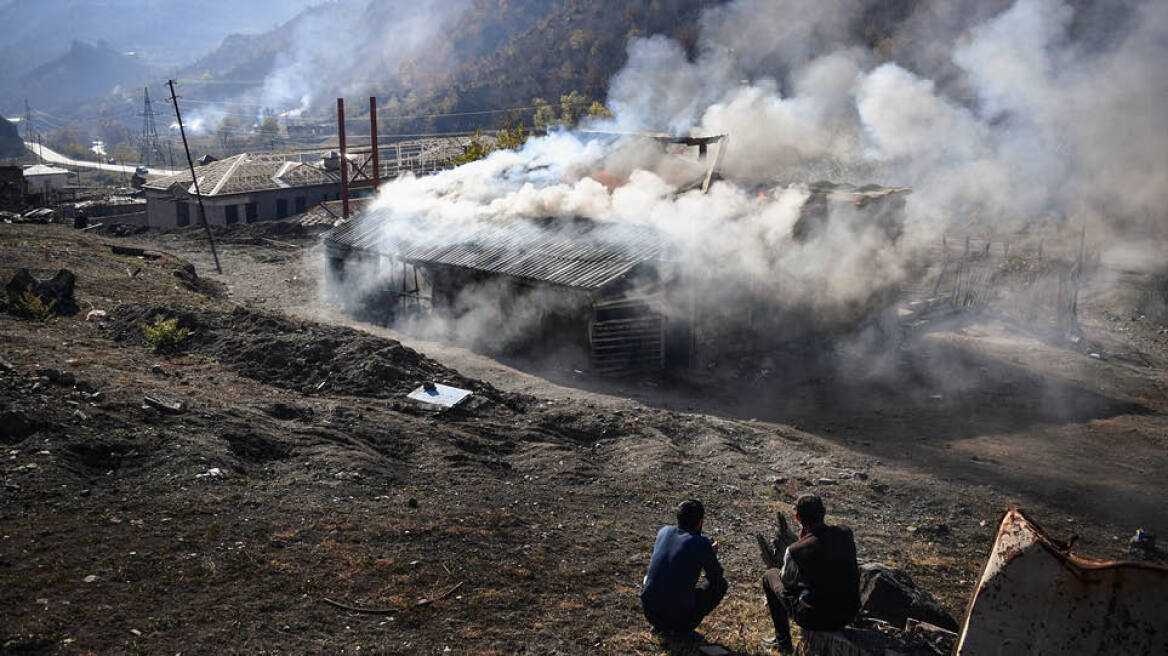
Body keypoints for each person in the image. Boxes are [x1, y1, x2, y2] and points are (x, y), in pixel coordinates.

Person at [760, 494, 860, 654]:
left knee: (770, 575)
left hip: (815, 618)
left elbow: (786, 581)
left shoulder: (796, 550)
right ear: (824, 512)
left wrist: (800, 543)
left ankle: (783, 643)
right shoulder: (845, 533)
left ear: (798, 517)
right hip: (849, 613)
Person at [639, 499, 728, 639]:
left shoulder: (664, 531)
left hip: (650, 612)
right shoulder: (701, 544)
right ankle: (683, 629)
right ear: (700, 522)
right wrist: (710, 555)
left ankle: (660, 627)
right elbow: (716, 577)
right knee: (721, 585)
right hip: (677, 618)